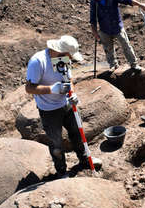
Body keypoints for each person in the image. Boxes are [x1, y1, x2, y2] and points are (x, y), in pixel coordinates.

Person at [25, 35, 102, 176]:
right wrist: (51, 89)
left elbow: (69, 79)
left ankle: (85, 160)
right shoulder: (38, 61)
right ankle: (61, 171)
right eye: (70, 56)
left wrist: (72, 93)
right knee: (56, 143)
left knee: (77, 134)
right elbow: (29, 88)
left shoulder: (63, 59)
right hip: (48, 110)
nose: (71, 59)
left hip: (66, 104)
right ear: (61, 51)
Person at [89, 0, 145, 71]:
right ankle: (113, 65)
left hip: (117, 26)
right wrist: (95, 32)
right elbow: (92, 18)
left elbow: (126, 0)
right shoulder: (94, 2)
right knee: (108, 49)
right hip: (104, 29)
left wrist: (140, 4)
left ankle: (134, 64)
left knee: (126, 45)